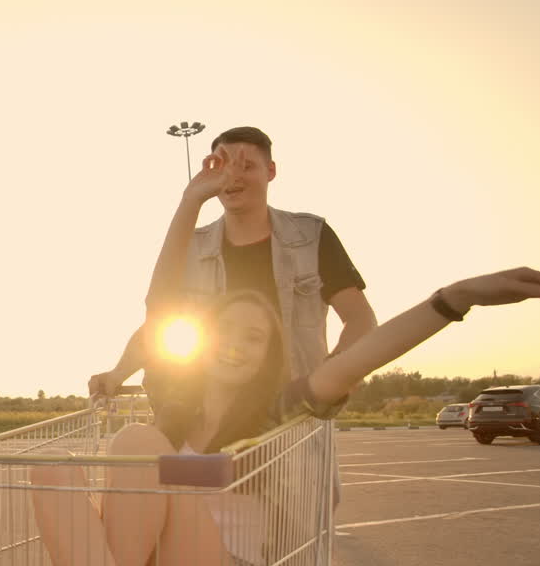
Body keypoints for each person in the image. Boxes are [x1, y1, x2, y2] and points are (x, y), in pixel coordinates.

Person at [19, 145, 540, 566]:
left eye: (254, 337)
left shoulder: (278, 411)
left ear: (268, 356)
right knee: (56, 471)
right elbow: (160, 302)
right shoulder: (171, 413)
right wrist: (192, 200)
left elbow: (365, 351)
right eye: (225, 330)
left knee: (154, 462)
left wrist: (456, 297)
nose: (236, 342)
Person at [89, 127, 377, 397]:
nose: (233, 178)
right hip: (216, 417)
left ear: (271, 171)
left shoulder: (310, 237)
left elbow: (360, 318)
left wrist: (327, 377)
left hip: (292, 418)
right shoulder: (193, 247)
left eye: (247, 167)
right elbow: (158, 323)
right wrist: (117, 374)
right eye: (224, 169)